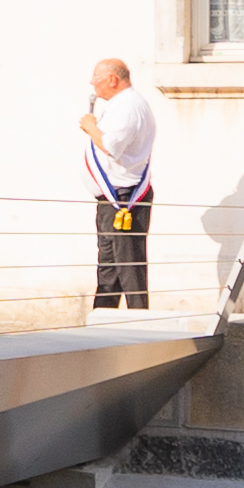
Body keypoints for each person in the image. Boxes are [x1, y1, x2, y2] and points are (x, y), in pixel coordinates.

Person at [75, 58, 159, 311]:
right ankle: (103, 318)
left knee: (129, 266)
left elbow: (111, 146)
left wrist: (91, 127)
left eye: (96, 79)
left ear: (112, 79)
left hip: (124, 197)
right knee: (110, 267)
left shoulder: (129, 106)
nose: (93, 84)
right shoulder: (122, 105)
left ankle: (139, 321)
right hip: (113, 197)